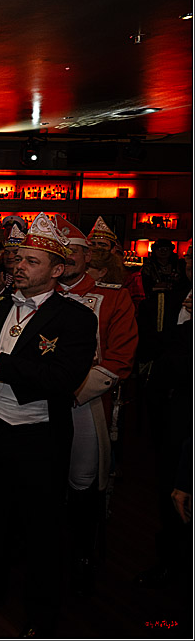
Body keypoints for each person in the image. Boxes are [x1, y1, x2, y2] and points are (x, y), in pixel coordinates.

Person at [0, 212, 97, 638]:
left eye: (31, 261)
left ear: (57, 269)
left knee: (42, 529)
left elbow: (62, 380)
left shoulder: (76, 318)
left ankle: (42, 615)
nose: (18, 267)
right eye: (18, 259)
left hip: (38, 437)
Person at [52, 215, 138, 595]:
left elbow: (119, 359)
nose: (66, 258)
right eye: (60, 252)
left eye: (73, 252)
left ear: (89, 256)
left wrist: (70, 391)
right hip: (36, 403)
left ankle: (82, 554)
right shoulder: (38, 296)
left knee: (83, 481)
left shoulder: (114, 297)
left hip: (84, 403)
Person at [135, 242, 192, 589]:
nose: (191, 265)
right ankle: (172, 563)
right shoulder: (178, 299)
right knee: (169, 489)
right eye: (192, 259)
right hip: (175, 415)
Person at [137, 239, 190, 368]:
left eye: (166, 249)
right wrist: (157, 288)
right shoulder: (148, 267)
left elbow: (185, 285)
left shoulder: (180, 265)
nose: (163, 251)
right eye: (160, 249)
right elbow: (145, 288)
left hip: (176, 304)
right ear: (154, 251)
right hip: (153, 307)